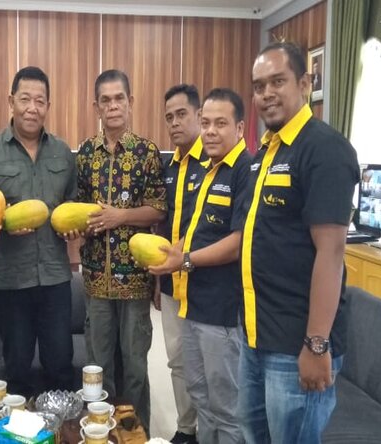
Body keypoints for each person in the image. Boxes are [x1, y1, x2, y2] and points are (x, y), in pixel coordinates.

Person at [236, 42, 360, 443]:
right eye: (259, 86)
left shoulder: (324, 149)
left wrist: (316, 344)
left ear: (304, 84)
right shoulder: (265, 153)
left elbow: (331, 254)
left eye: (278, 82)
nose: (266, 94)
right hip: (256, 336)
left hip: (296, 345)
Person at [151, 88, 252, 444]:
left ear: (239, 128)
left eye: (219, 123)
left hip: (221, 308)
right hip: (192, 301)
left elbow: (239, 242)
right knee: (199, 393)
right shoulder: (210, 170)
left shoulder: (245, 171)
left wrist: (185, 260)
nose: (210, 131)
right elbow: (190, 231)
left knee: (224, 405)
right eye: (206, 123)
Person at [0, 66, 76, 397]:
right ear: (11, 101)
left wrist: (73, 228)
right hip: (10, 279)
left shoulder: (62, 152)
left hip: (55, 277)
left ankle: (59, 421)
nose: (32, 108)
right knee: (16, 365)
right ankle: (20, 423)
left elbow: (71, 202)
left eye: (40, 101)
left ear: (48, 106)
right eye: (25, 99)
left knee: (60, 363)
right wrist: (2, 223)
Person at [75, 69, 167, 431]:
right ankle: (99, 432)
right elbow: (79, 208)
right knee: (98, 367)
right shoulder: (85, 154)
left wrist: (120, 217)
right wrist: (77, 225)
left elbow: (158, 209)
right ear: (96, 106)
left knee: (135, 365)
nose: (112, 106)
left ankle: (135, 432)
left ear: (130, 102)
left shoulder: (147, 152)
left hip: (135, 281)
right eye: (105, 100)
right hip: (96, 278)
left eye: (119, 98)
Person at [156, 83, 204, 444]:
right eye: (169, 117)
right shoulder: (168, 167)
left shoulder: (215, 160)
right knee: (176, 359)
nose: (174, 123)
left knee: (207, 363)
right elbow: (162, 222)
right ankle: (186, 429)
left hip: (206, 282)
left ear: (199, 115)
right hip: (172, 283)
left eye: (181, 114)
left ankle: (212, 429)